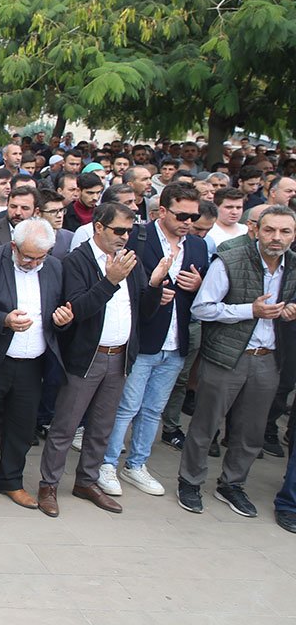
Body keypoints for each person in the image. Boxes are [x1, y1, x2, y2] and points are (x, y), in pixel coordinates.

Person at [37, 203, 167, 517]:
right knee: (66, 426)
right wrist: (109, 281)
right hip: (86, 358)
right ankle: (48, 485)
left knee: (102, 427)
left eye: (129, 231)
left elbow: (143, 311)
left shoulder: (129, 259)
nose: (124, 237)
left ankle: (87, 481)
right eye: (118, 230)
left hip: (119, 357)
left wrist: (154, 285)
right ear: (98, 227)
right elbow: (77, 309)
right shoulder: (77, 260)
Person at [178, 205, 296, 517]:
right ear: (255, 230)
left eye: (285, 231)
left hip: (268, 359)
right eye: (269, 230)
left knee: (251, 431)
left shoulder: (294, 266)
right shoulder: (230, 260)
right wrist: (249, 310)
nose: (276, 237)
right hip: (226, 356)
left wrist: (290, 312)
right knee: (206, 425)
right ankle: (190, 481)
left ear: (293, 235)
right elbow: (202, 308)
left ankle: (232, 484)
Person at [99, 182, 208, 498]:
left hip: (176, 342)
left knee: (153, 409)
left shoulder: (198, 246)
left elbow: (206, 297)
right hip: (143, 338)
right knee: (126, 406)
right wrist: (151, 290)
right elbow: (117, 282)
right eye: (181, 215)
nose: (188, 222)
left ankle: (136, 465)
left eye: (193, 216)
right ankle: (107, 463)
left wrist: (199, 284)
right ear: (163, 211)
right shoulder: (137, 237)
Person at [0, 219, 72, 511]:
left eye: (40, 257)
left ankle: (10, 481)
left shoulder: (54, 267)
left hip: (33, 362)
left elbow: (57, 310)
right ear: (13, 246)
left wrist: (63, 321)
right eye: (28, 257)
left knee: (22, 427)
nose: (34, 263)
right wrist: (2, 318)